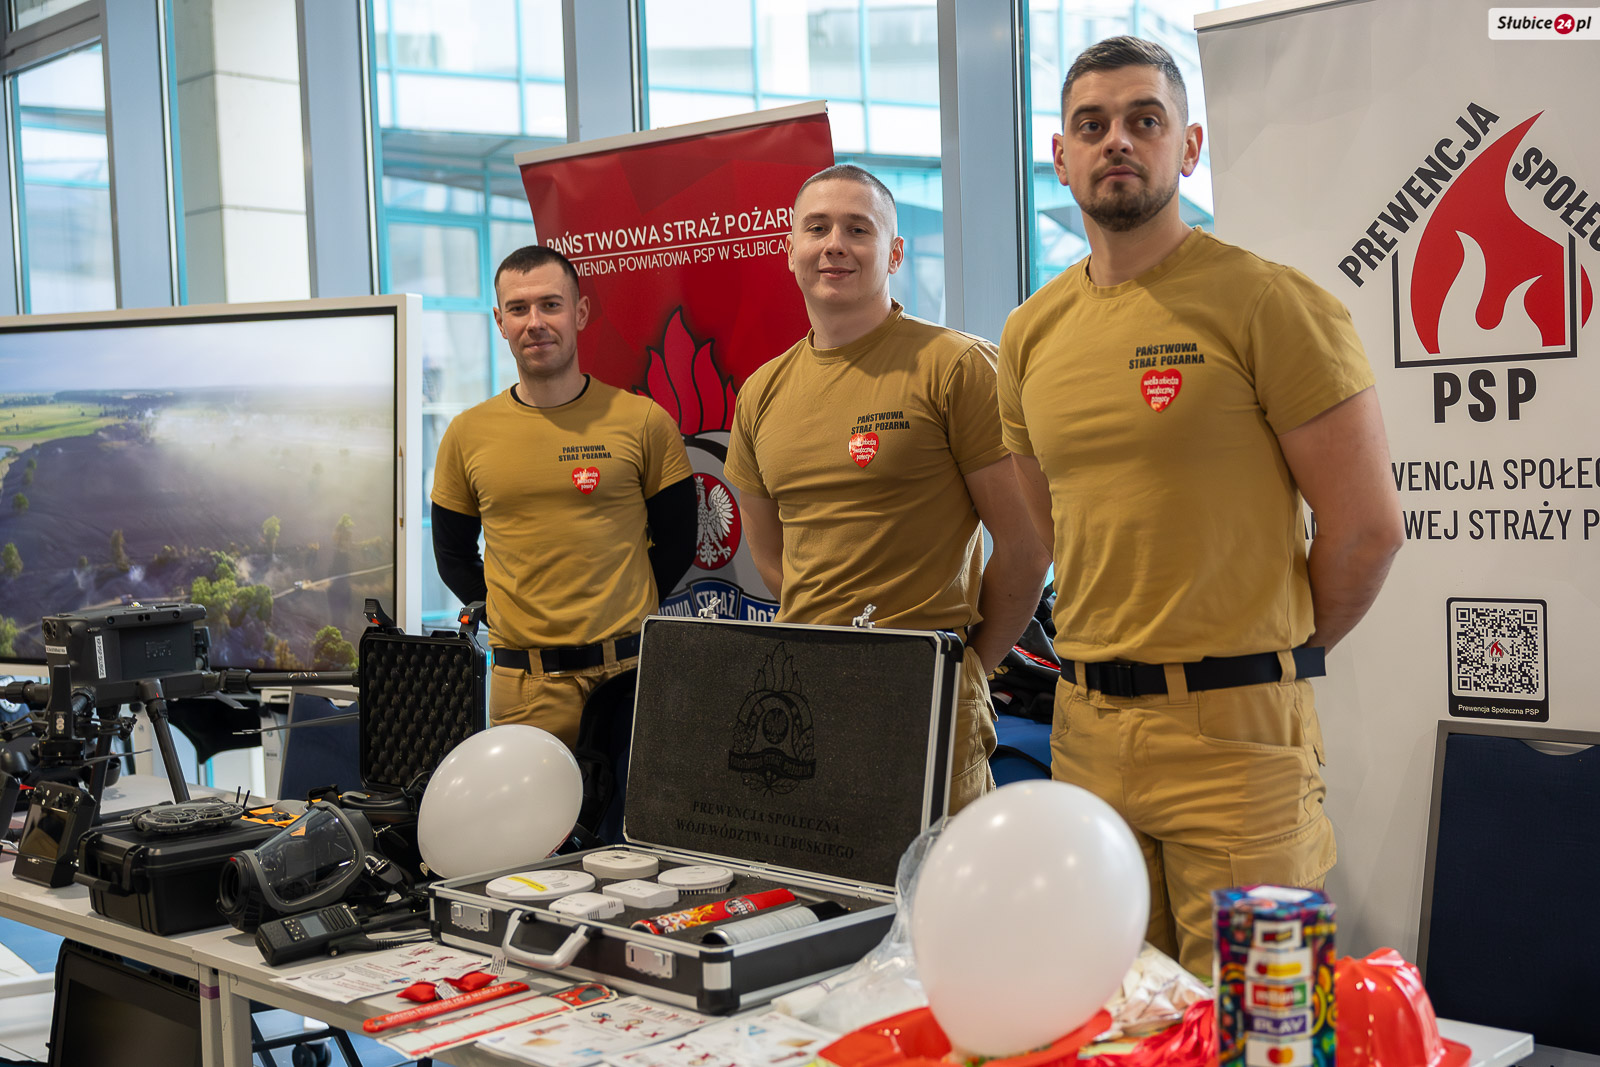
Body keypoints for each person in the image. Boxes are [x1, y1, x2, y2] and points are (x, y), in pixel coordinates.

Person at [998, 36, 1406, 974]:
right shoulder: (1030, 333)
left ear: (1188, 148)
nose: (1117, 143)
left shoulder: (1271, 304)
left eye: (1146, 120)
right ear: (1059, 156)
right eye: (1091, 125)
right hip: (1088, 728)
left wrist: (1265, 661)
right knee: (1116, 1021)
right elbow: (1044, 529)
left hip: (1240, 740)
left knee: (1268, 1027)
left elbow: (1368, 530)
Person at [725, 164, 1051, 814]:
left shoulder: (956, 367)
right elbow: (768, 554)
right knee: (825, 899)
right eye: (816, 228)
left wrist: (966, 668)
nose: (834, 244)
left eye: (858, 228)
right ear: (789, 249)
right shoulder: (762, 391)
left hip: (929, 688)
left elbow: (1027, 543)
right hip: (805, 693)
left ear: (894, 251)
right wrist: (836, 640)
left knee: (940, 899)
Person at [431, 245, 695, 746]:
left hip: (633, 676)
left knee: (632, 826)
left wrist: (623, 608)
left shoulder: (643, 421)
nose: (535, 322)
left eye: (550, 305)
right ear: (499, 321)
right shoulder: (467, 435)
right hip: (523, 687)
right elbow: (451, 554)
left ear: (580, 312)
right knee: (534, 828)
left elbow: (679, 541)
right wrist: (511, 609)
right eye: (518, 308)